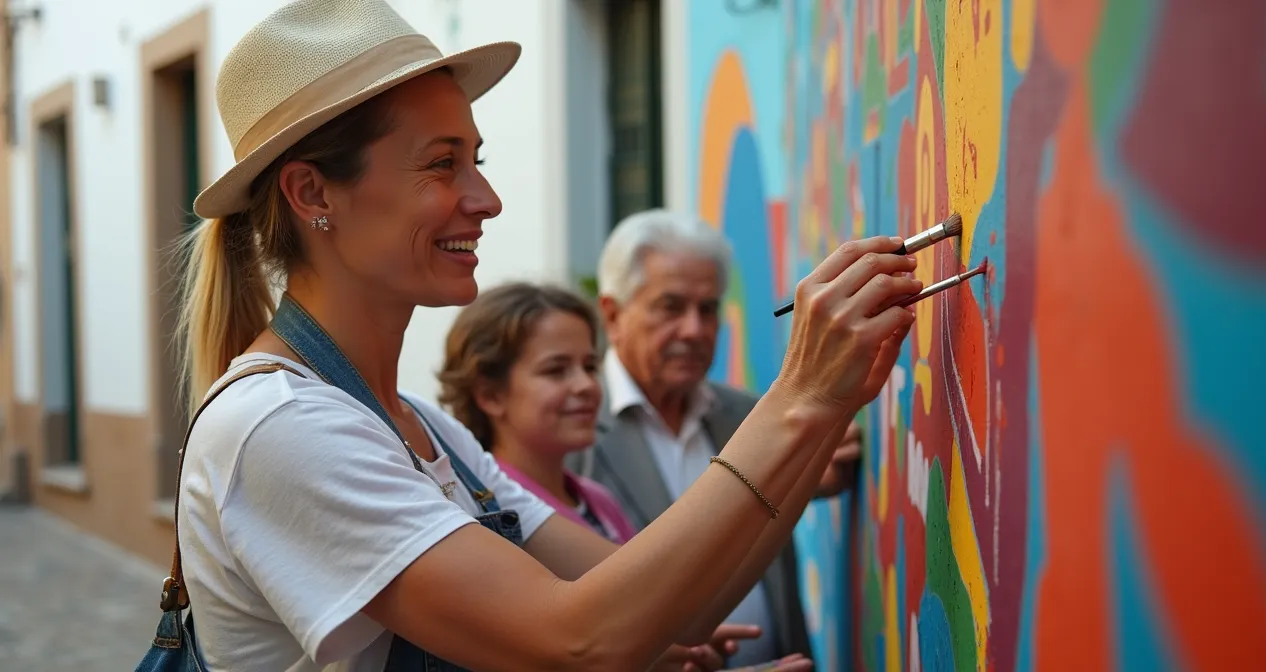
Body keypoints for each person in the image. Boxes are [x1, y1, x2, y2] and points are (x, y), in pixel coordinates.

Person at [146, 1, 921, 670]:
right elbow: (579, 640)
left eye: (475, 160)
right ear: (313, 192)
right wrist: (801, 394)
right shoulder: (283, 427)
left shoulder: (424, 427)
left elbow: (660, 605)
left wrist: (823, 409)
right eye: (441, 165)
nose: (485, 199)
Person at [567, 209, 863, 666]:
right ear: (613, 314)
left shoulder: (750, 413)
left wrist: (805, 472)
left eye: (707, 309)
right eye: (671, 307)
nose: (694, 330)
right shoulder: (571, 436)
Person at [437, 282, 637, 545]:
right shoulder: (484, 513)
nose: (587, 385)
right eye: (556, 370)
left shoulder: (600, 501)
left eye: (589, 366)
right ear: (490, 395)